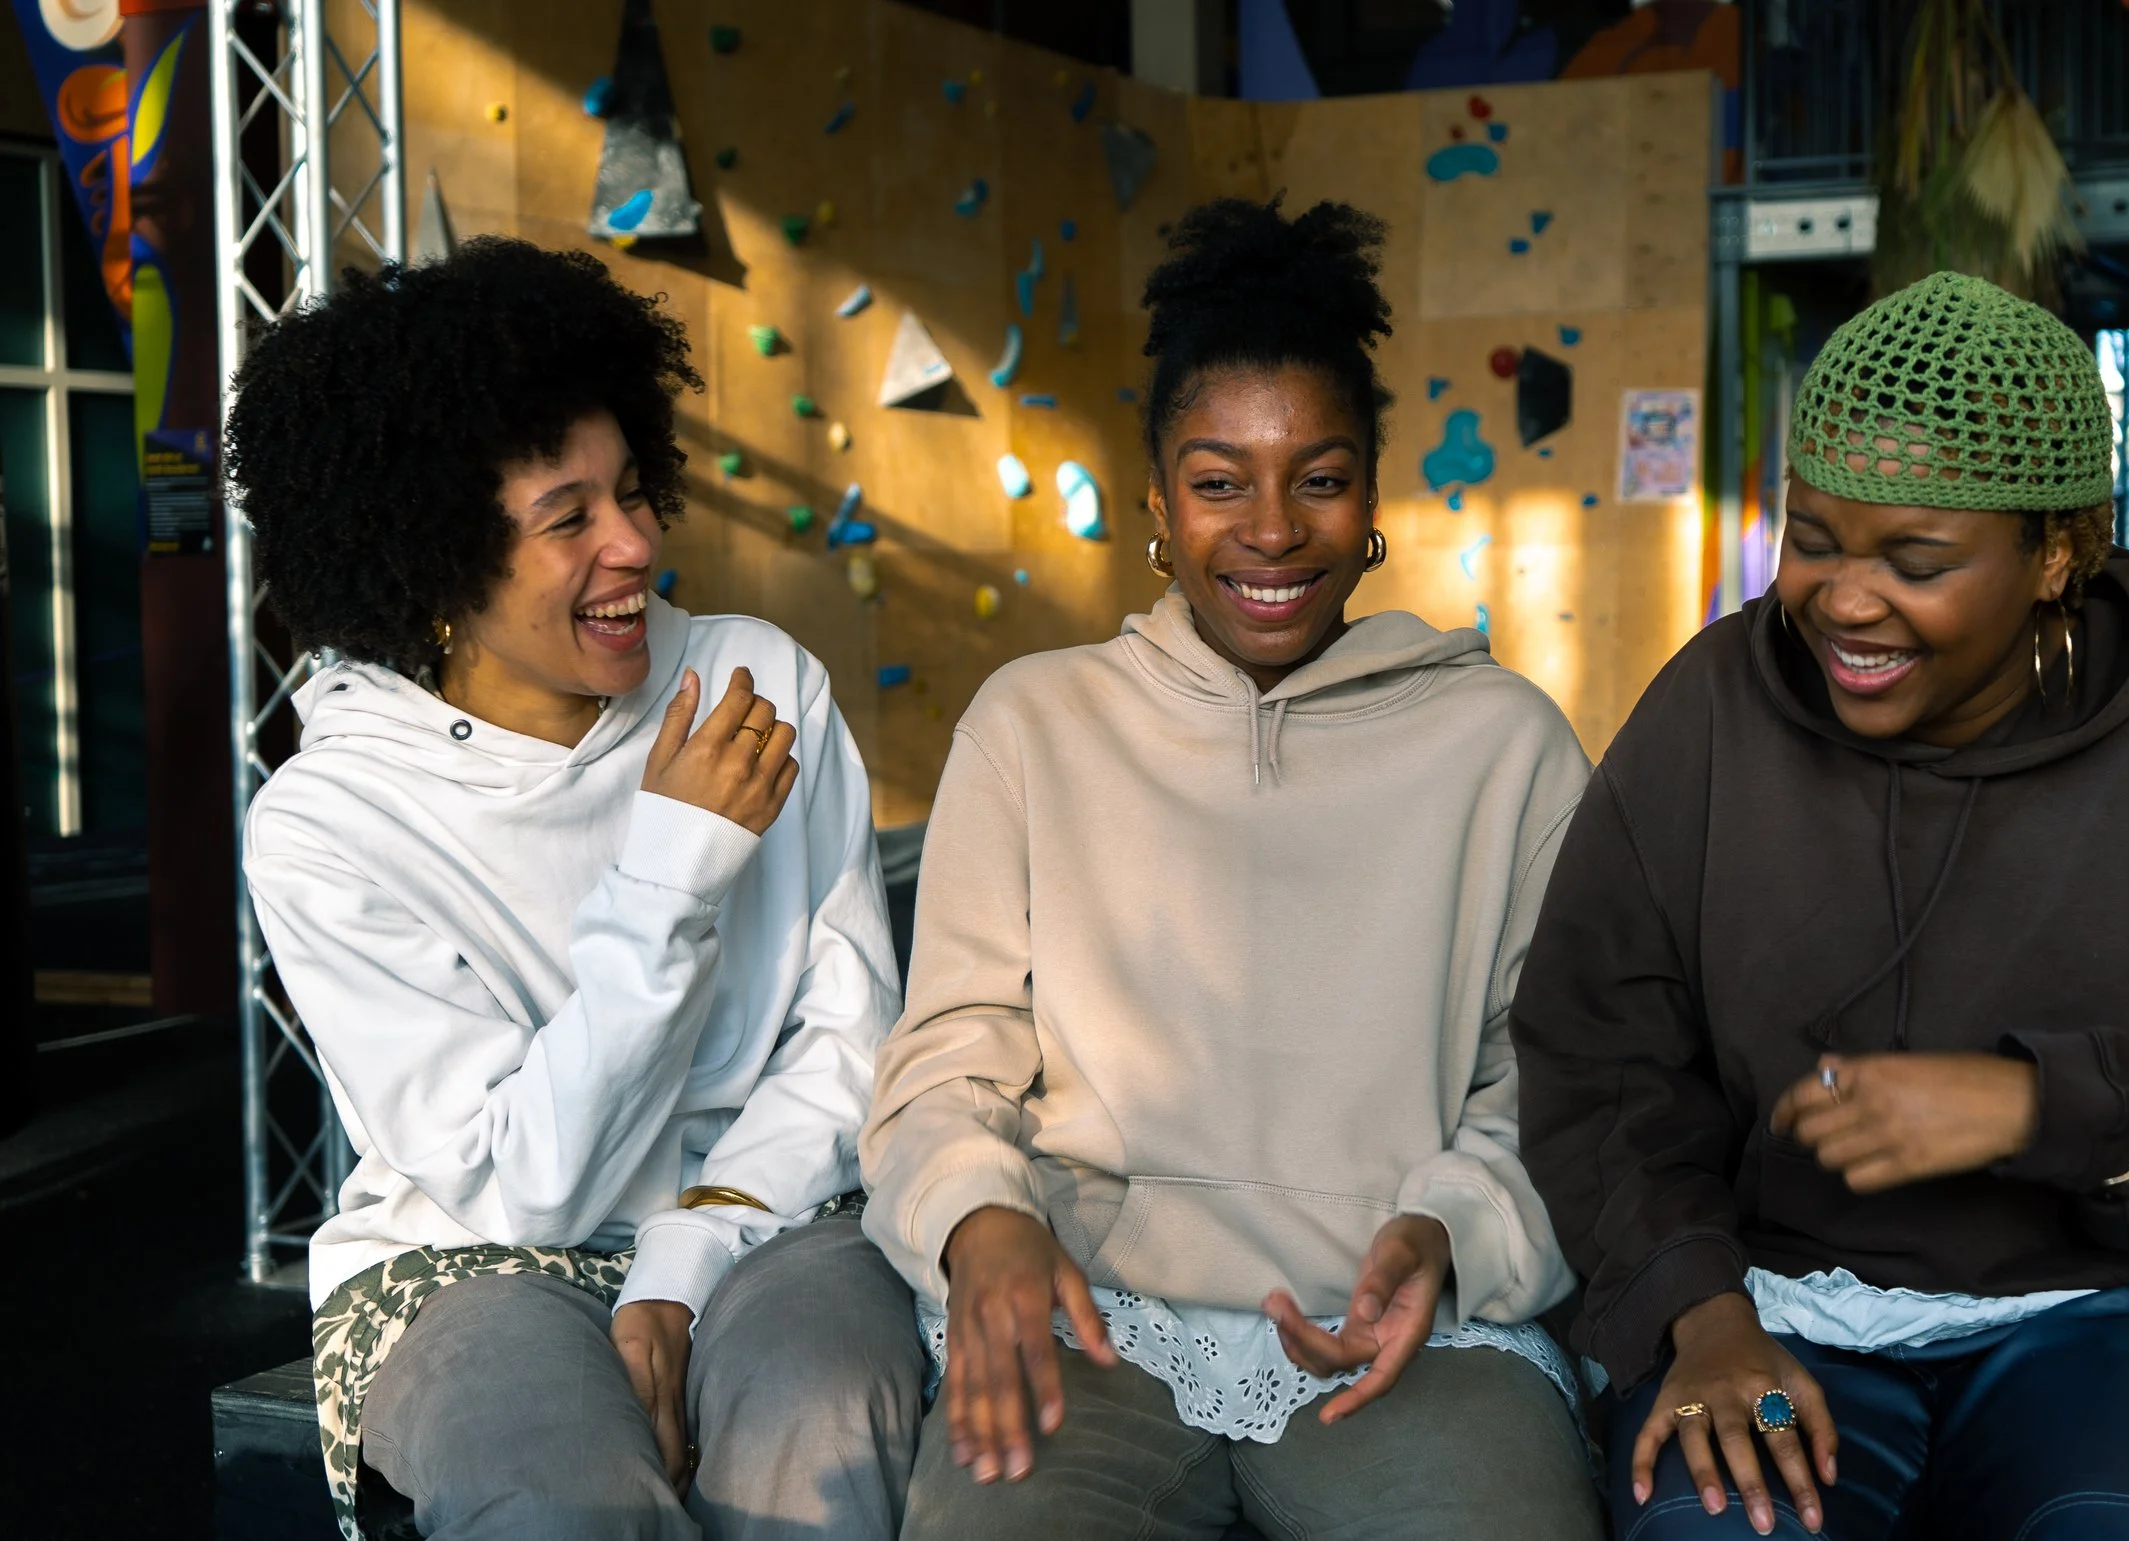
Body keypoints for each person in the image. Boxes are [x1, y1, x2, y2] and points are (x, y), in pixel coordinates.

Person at [1511, 272, 2129, 1541]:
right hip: (1776, 1308)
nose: (1842, 597)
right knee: (1722, 1526)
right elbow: (1601, 1060)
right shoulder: (1710, 715)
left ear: (2055, 554)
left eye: (1916, 558)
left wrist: (2065, 1116)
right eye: (1813, 537)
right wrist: (1697, 1309)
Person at [860, 198, 1605, 1541]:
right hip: (1089, 1319)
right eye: (1219, 481)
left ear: (1371, 501)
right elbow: (952, 1053)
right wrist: (980, 1221)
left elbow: (1554, 1081)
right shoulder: (1034, 725)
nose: (1271, 529)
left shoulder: (1505, 745)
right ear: (1157, 502)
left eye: (1317, 477)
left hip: (1410, 1341)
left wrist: (1453, 1232)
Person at [225, 239, 922, 1541]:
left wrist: (690, 1248)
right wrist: (674, 868)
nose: (637, 543)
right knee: (556, 1496)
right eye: (569, 518)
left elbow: (847, 1050)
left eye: (632, 491)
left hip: (773, 1211)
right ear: (432, 556)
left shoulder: (753, 685)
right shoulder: (331, 822)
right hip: (471, 1260)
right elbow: (526, 1188)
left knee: (825, 1418)